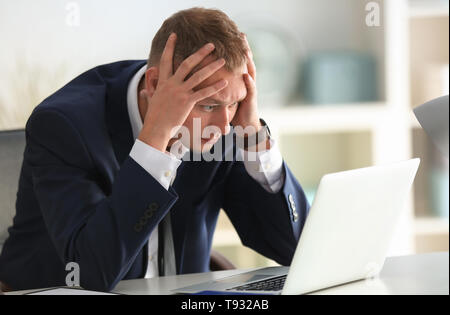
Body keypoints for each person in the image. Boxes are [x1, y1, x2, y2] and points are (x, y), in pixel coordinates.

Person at [0, 7, 310, 292]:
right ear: (154, 83)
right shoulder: (64, 126)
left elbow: (295, 249)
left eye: (234, 102)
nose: (224, 124)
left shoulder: (227, 123)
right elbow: (90, 273)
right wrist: (153, 144)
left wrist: (253, 136)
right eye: (208, 105)